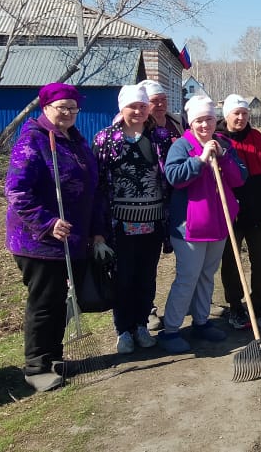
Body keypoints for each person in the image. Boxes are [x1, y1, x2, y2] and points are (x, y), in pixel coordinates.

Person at [5, 82, 103, 392]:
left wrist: (95, 229)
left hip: (71, 239)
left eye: (73, 108)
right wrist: (46, 223)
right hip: (39, 241)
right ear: (45, 108)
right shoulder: (31, 141)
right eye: (62, 108)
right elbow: (16, 190)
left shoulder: (75, 141)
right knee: (45, 303)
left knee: (60, 302)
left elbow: (92, 189)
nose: (69, 113)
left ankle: (53, 357)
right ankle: (36, 366)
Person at [157, 95, 248, 354]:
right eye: (199, 120)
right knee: (187, 278)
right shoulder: (181, 146)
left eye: (208, 119)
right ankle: (171, 329)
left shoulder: (223, 144)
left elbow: (240, 177)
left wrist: (224, 158)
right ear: (191, 122)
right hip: (190, 227)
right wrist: (199, 160)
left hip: (218, 224)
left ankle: (201, 321)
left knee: (207, 276)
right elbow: (174, 177)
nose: (204, 125)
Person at [92, 84, 175, 355]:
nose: (138, 111)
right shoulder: (106, 139)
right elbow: (98, 187)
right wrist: (99, 229)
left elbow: (169, 178)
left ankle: (141, 324)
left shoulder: (159, 137)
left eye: (142, 106)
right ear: (122, 108)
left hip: (153, 222)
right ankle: (123, 330)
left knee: (146, 276)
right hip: (120, 225)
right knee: (123, 278)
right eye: (132, 106)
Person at [216, 94, 261, 330]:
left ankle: (259, 302)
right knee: (231, 263)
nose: (241, 117)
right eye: (236, 113)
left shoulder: (257, 138)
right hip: (231, 214)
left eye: (244, 113)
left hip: (257, 212)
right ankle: (235, 305)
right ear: (227, 116)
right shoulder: (218, 139)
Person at [136, 79, 181, 332]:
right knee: (148, 259)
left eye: (163, 99)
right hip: (149, 201)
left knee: (184, 251)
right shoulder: (140, 127)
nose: (161, 104)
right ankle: (148, 309)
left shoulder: (176, 123)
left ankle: (193, 299)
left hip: (176, 198)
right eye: (155, 101)